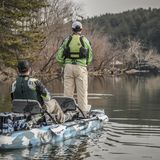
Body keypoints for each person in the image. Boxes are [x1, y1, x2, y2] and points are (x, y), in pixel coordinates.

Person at [56, 21, 93, 117]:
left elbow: (58, 56)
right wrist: (85, 64)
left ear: (72, 29)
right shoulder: (84, 40)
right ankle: (83, 114)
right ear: (81, 29)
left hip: (68, 68)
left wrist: (64, 64)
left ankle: (67, 113)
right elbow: (90, 56)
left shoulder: (67, 40)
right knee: (82, 92)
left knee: (68, 92)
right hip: (81, 68)